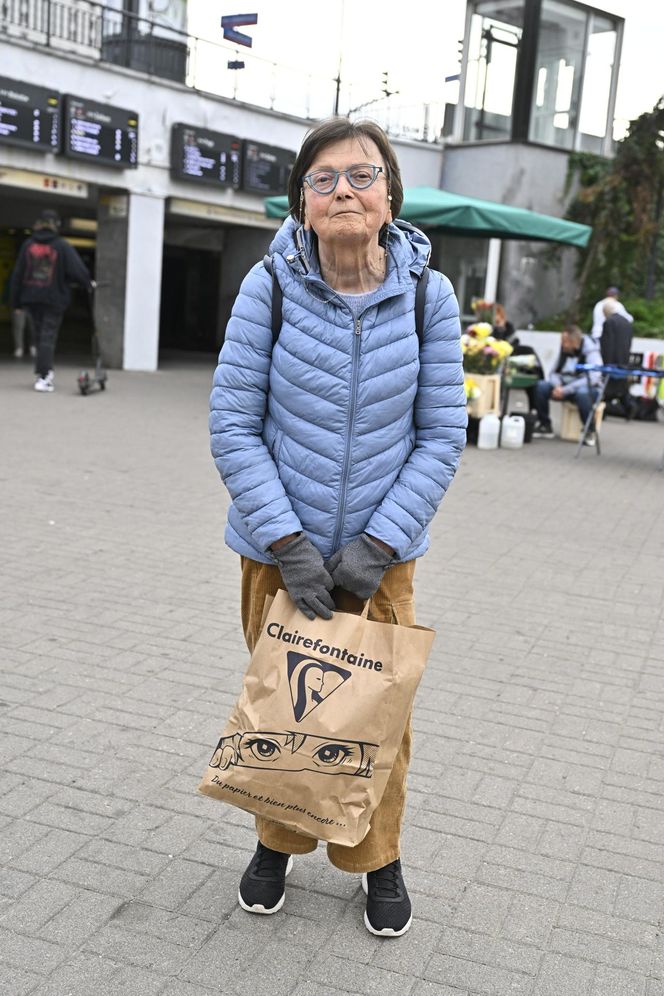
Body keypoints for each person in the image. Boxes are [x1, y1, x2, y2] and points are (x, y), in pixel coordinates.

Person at [209, 117, 467, 937]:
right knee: (284, 707)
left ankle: (374, 854)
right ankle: (275, 841)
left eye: (361, 175)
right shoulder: (272, 283)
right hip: (276, 555)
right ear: (302, 203)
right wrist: (288, 544)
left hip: (382, 561)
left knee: (377, 718)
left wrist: (381, 544)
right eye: (323, 180)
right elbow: (232, 422)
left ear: (390, 194)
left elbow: (441, 434)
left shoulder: (429, 292)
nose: (343, 191)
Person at [10, 209, 93, 392]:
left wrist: (15, 303)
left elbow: (17, 274)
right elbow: (77, 270)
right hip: (53, 299)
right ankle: (44, 376)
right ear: (56, 225)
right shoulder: (61, 246)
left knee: (40, 336)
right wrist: (87, 283)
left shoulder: (28, 245)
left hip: (31, 298)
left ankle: (42, 372)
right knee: (47, 336)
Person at [532, 325, 603, 442]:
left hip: (587, 388)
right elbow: (553, 372)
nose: (562, 344)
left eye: (565, 342)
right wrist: (557, 385)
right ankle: (545, 425)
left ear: (574, 342)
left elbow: (593, 378)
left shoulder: (591, 352)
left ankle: (590, 431)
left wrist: (566, 390)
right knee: (541, 386)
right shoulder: (565, 350)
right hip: (563, 386)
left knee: (582, 394)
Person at [600, 298, 635, 418]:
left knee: (605, 387)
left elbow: (607, 344)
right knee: (621, 387)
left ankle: (602, 411)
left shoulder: (609, 322)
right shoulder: (627, 322)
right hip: (624, 360)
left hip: (612, 361)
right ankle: (629, 406)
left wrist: (606, 362)